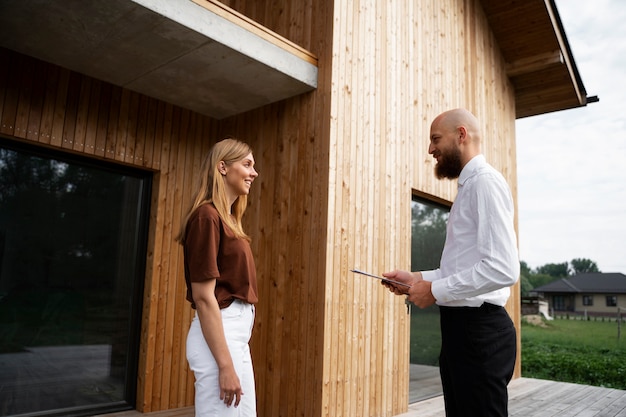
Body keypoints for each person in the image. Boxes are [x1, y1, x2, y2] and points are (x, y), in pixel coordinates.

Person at [383, 108, 520, 417]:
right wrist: (417, 278)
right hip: (462, 334)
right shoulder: (468, 188)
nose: (430, 149)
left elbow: (502, 268)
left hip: (480, 335)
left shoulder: (485, 183)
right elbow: (460, 268)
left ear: (461, 135)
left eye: (435, 139)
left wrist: (435, 290)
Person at [176, 137, 259, 417]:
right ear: (223, 167)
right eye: (247, 164)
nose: (254, 173)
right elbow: (203, 296)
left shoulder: (228, 220)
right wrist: (225, 365)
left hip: (234, 337)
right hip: (219, 336)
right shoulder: (206, 217)